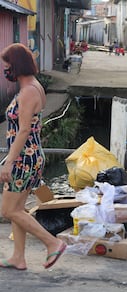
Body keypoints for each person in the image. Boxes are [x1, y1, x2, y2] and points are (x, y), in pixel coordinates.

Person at [0, 43, 66, 271]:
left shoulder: (28, 92)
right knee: (18, 209)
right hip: (31, 156)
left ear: (16, 65)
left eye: (7, 66)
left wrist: (9, 161)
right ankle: (18, 257)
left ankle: (52, 242)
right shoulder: (35, 87)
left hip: (23, 159)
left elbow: (24, 130)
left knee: (8, 210)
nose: (5, 70)